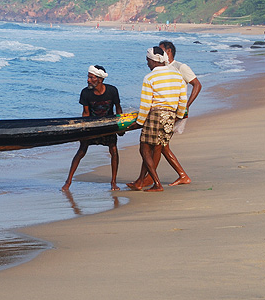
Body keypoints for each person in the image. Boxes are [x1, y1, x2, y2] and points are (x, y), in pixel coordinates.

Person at [127, 46, 187, 192]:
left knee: (144, 149)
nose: (147, 63)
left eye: (148, 60)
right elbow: (183, 100)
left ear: (154, 61)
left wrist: (139, 122)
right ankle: (140, 181)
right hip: (170, 116)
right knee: (155, 148)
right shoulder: (177, 75)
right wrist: (178, 116)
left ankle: (157, 184)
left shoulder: (150, 77)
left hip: (156, 115)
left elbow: (146, 104)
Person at [62, 65, 123, 191]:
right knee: (81, 151)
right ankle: (68, 182)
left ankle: (113, 182)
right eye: (88, 77)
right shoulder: (85, 93)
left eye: (91, 77)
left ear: (100, 79)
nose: (88, 80)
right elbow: (85, 113)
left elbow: (118, 107)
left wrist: (120, 125)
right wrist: (83, 131)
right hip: (92, 126)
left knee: (113, 151)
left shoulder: (112, 91)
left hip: (108, 126)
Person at [156, 40, 202, 186]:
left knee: (160, 144)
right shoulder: (161, 68)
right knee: (160, 144)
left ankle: (180, 176)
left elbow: (197, 84)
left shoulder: (180, 67)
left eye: (161, 50)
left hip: (175, 112)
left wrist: (186, 106)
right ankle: (179, 175)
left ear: (168, 51)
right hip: (164, 111)